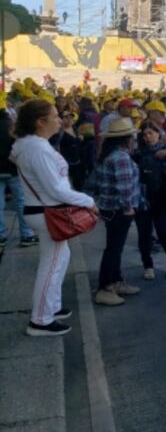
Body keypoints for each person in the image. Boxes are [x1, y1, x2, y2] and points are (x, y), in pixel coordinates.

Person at [11, 100, 98, 336]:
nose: (60, 120)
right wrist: (88, 201)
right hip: (47, 212)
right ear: (41, 122)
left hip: (43, 210)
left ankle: (51, 307)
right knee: (51, 266)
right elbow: (56, 189)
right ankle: (41, 320)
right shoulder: (37, 149)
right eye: (55, 116)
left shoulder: (33, 146)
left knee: (58, 260)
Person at [93, 117, 145, 306]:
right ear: (127, 138)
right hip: (119, 209)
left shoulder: (108, 154)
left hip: (109, 207)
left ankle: (115, 281)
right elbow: (125, 186)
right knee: (114, 249)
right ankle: (105, 287)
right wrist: (128, 207)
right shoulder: (121, 157)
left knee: (115, 247)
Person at [134, 121, 166, 280]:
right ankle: (148, 266)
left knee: (164, 234)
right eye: (144, 134)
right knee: (144, 235)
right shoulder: (138, 154)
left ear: (158, 134)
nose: (148, 137)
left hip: (163, 199)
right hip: (142, 201)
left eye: (151, 133)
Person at [0, 99, 38, 247]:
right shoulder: (12, 125)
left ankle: (1, 236)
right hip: (13, 169)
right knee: (22, 201)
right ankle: (26, 234)